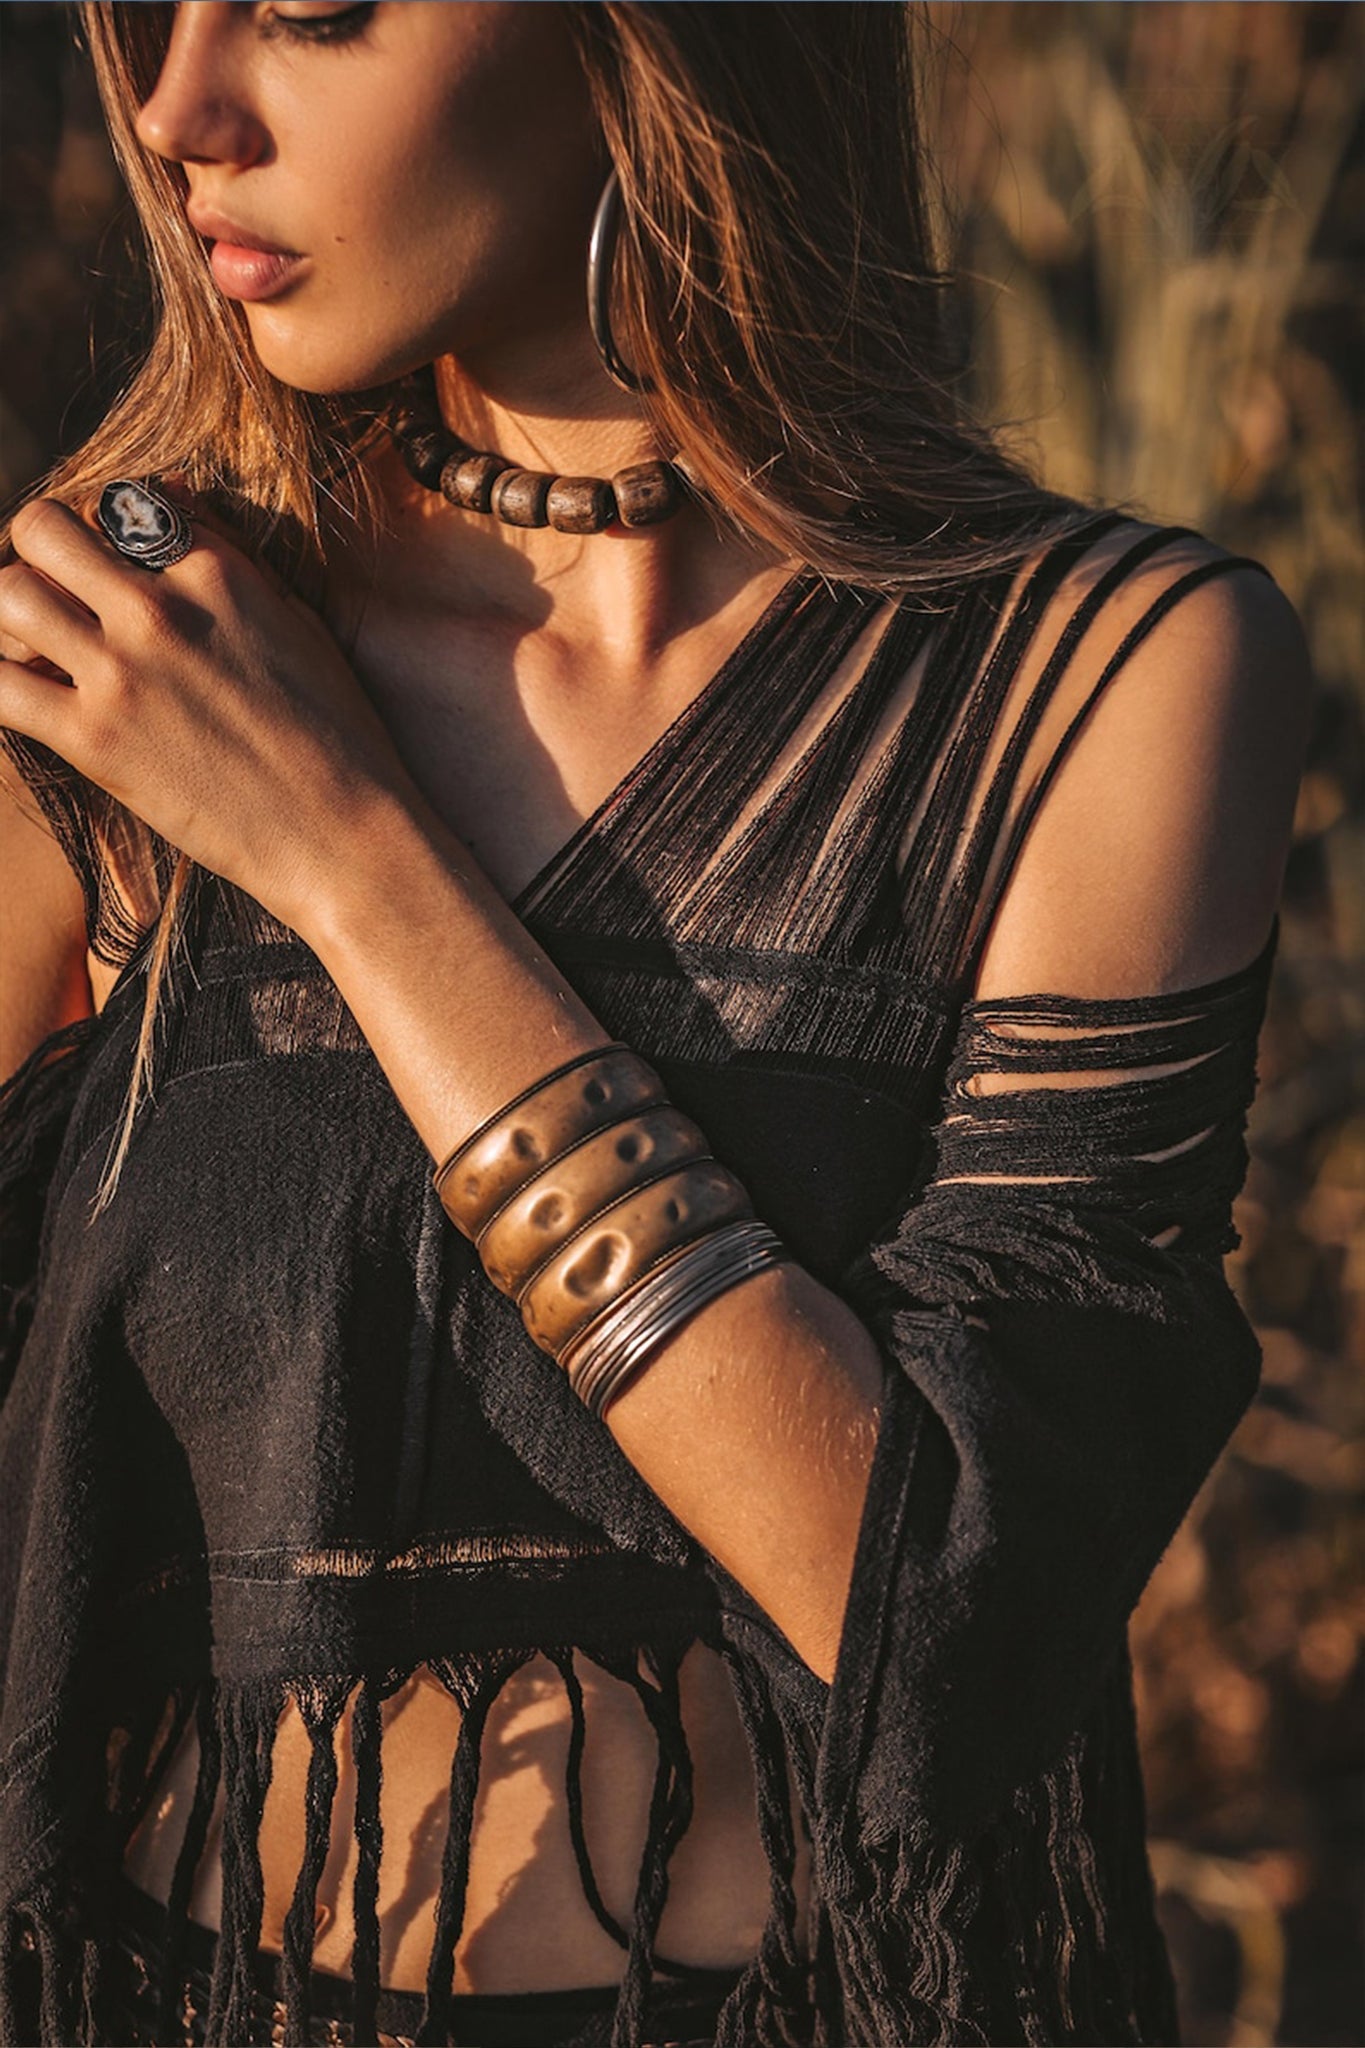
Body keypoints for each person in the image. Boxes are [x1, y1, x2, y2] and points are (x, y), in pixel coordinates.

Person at [0, 4, 1312, 2045]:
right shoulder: (132, 657)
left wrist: (352, 863)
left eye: (314, 11)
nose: (179, 116)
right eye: (147, 15)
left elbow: (921, 1607)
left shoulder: (1096, 683)